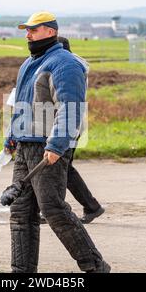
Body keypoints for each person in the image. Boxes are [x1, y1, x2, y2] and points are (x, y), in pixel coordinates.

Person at [2, 11, 110, 273]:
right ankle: (22, 272)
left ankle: (95, 266)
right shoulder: (29, 63)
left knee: (53, 209)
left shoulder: (65, 64)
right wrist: (12, 136)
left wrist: (57, 145)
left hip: (47, 145)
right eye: (26, 30)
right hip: (27, 143)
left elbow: (70, 108)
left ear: (50, 31)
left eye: (33, 30)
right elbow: (21, 105)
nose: (28, 34)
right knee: (20, 212)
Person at [39, 36, 105, 225]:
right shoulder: (70, 65)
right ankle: (91, 206)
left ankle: (77, 207)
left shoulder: (67, 69)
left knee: (60, 168)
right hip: (66, 125)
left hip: (66, 126)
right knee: (64, 168)